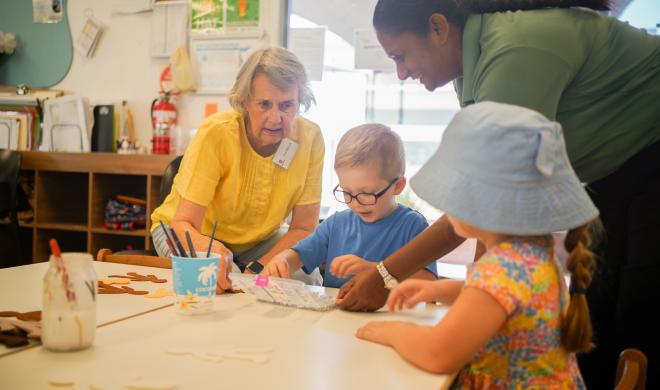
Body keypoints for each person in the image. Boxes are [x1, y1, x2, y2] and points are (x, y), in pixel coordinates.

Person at [339, 1, 660, 387]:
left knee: (638, 314)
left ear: (439, 28)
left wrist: (386, 309)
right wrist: (453, 289)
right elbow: (501, 290)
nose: (401, 72)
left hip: (648, 164)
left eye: (401, 55)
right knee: (605, 327)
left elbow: (439, 351)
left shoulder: (516, 52)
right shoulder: (531, 260)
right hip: (617, 173)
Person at [356, 102, 599, 388]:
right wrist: (438, 290)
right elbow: (502, 302)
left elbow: (438, 353)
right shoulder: (532, 253)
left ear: (487, 200)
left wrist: (391, 332)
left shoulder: (503, 268)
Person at [151, 47, 324, 288]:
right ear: (245, 101)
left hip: (258, 242)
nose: (275, 118)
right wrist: (219, 255)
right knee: (221, 278)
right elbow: (183, 224)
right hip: (188, 233)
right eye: (264, 104)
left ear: (300, 102)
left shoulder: (310, 138)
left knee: (303, 276)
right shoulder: (217, 133)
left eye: (286, 105)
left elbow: (304, 228)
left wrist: (258, 268)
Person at [262, 124, 438, 286]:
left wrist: (373, 270)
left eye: (367, 194)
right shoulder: (336, 224)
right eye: (347, 192)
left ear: (398, 186)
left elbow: (428, 281)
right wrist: (283, 260)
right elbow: (299, 255)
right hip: (336, 317)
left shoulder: (413, 226)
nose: (355, 203)